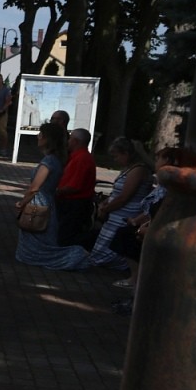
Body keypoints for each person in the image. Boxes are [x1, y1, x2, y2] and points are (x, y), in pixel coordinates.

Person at [109, 147, 179, 313]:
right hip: (149, 230)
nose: (156, 162)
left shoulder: (172, 190)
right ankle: (136, 292)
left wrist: (147, 227)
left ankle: (140, 300)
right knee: (125, 233)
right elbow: (151, 210)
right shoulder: (163, 185)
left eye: (159, 159)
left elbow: (162, 214)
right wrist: (139, 222)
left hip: (158, 237)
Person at [14, 123, 90, 270]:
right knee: (37, 240)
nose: (38, 137)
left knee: (37, 241)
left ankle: (76, 255)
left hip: (39, 204)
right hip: (47, 202)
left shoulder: (49, 161)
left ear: (47, 139)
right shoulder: (56, 159)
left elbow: (35, 187)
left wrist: (22, 203)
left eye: (41, 134)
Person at [89, 136, 152, 269]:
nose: (115, 160)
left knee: (111, 252)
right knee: (99, 253)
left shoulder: (138, 170)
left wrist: (105, 209)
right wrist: (106, 202)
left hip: (125, 214)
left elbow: (124, 197)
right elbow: (116, 194)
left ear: (126, 153)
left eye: (116, 156)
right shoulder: (128, 169)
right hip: (115, 215)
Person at [55, 128, 97, 246]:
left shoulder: (82, 158)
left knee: (67, 236)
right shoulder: (78, 157)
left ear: (76, 141)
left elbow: (74, 186)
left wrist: (56, 191)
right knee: (66, 233)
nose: (67, 141)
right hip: (72, 202)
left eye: (70, 138)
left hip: (75, 203)